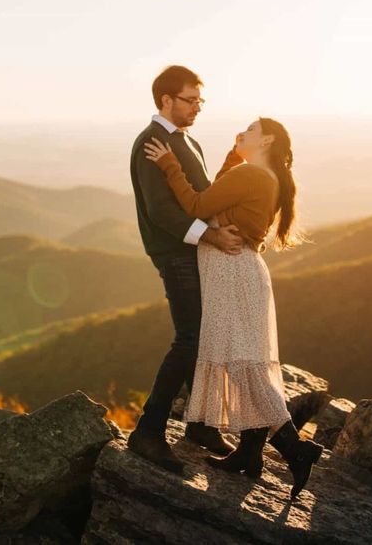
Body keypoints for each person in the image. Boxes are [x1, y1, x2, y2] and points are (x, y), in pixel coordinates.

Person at [143, 117, 324, 499]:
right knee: (243, 362)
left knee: (243, 365)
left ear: (268, 139)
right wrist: (232, 155)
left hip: (231, 274)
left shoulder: (251, 175)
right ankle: (250, 452)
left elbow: (195, 204)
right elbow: (219, 198)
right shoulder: (259, 174)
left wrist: (169, 165)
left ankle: (295, 449)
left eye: (251, 131)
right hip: (241, 273)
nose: (242, 133)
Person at [128, 65, 244, 475]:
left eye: (200, 101)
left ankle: (197, 425)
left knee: (205, 334)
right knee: (190, 338)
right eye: (190, 100)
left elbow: (198, 195)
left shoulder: (185, 140)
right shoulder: (151, 142)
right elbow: (161, 212)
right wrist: (211, 237)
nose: (198, 107)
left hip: (192, 250)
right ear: (166, 100)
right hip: (174, 253)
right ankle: (148, 431)